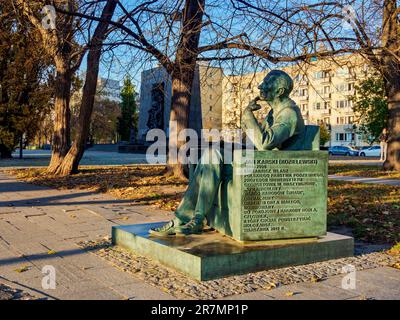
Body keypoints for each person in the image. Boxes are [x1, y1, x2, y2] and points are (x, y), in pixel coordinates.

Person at [150, 70, 305, 237]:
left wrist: (247, 115)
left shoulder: (289, 113)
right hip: (262, 163)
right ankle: (193, 218)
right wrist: (229, 145)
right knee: (211, 154)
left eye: (267, 84)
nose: (261, 86)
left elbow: (265, 144)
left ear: (280, 91)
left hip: (274, 170)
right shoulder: (274, 113)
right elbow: (259, 144)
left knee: (213, 156)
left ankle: (187, 218)